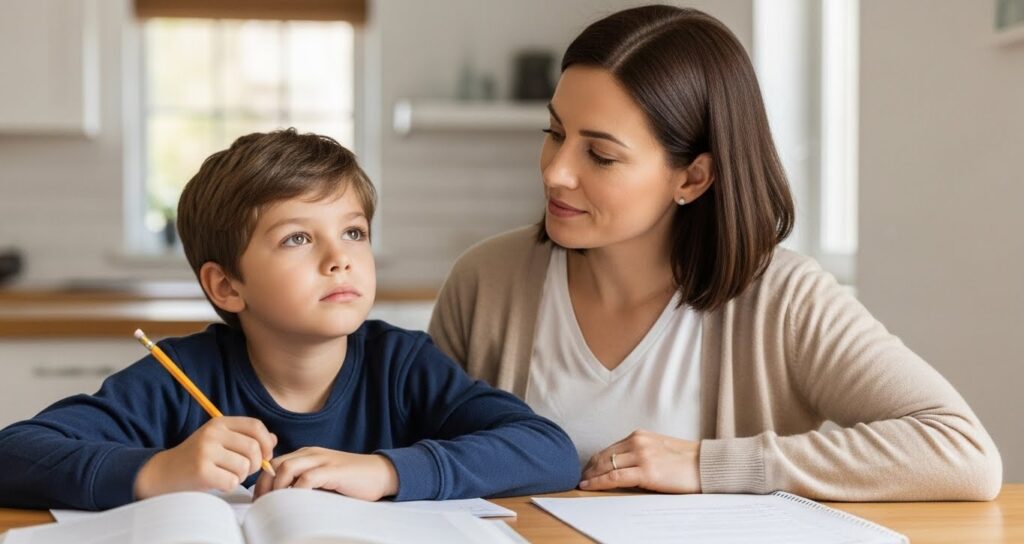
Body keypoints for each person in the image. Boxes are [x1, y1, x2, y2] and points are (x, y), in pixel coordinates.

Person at [428, 5, 1001, 501]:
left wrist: (709, 466)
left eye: (599, 155)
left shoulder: (784, 299)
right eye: (554, 133)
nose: (555, 171)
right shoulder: (486, 281)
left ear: (694, 177)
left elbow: (962, 451)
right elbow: (409, 455)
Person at [0, 129, 580, 510]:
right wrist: (157, 471)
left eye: (354, 232)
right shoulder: (181, 375)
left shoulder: (401, 365)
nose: (340, 257)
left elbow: (547, 451)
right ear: (226, 286)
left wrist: (384, 472)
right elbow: (14, 452)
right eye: (298, 238)